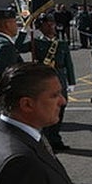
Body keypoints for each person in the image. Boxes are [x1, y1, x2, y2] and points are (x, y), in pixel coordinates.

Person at [32, 13, 76, 151]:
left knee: (60, 110)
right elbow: (19, 46)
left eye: (52, 24)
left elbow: (69, 63)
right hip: (44, 81)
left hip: (60, 80)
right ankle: (46, 140)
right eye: (47, 24)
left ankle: (56, 139)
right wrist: (26, 31)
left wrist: (71, 82)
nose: (51, 26)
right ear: (41, 27)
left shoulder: (61, 43)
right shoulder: (36, 42)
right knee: (46, 110)